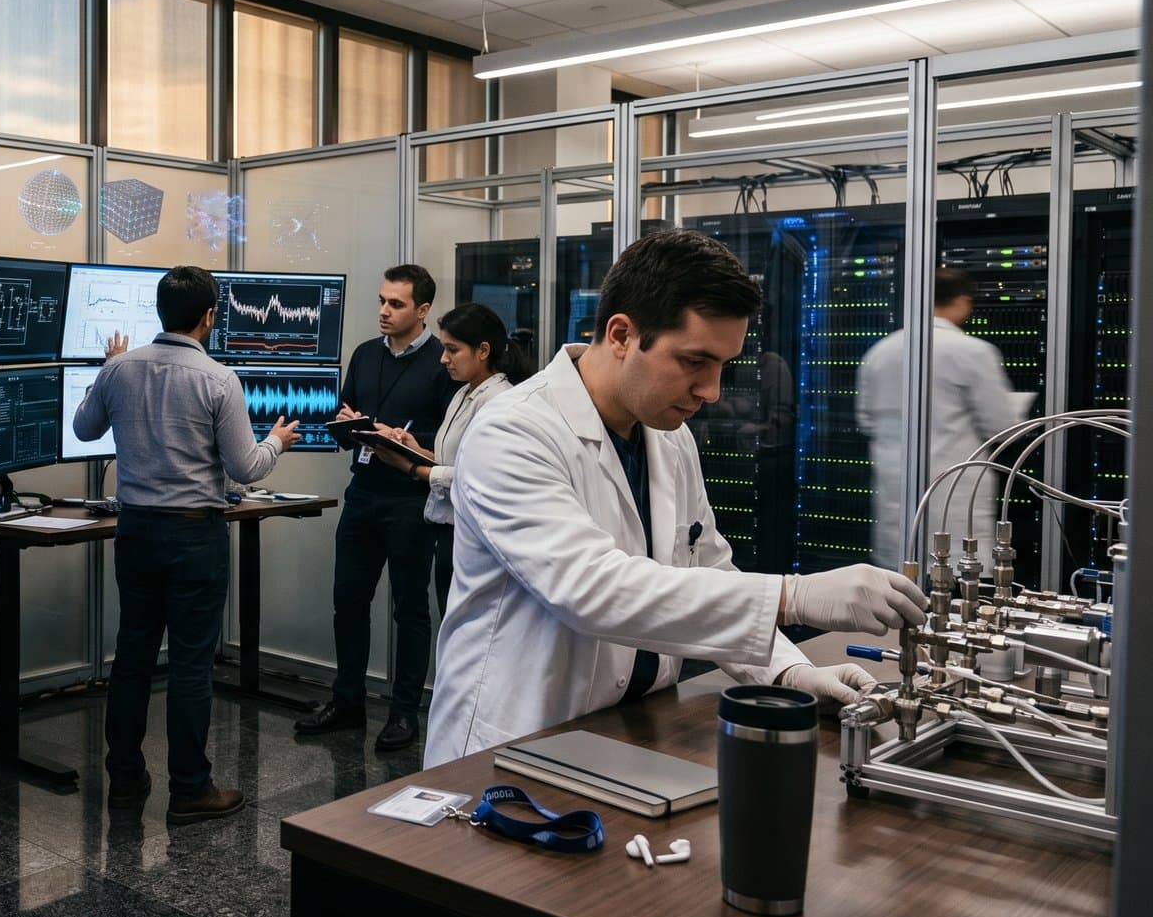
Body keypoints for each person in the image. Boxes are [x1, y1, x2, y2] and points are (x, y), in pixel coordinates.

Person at [425, 230, 928, 766]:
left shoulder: (667, 435)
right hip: (512, 742)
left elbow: (707, 563)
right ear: (621, 334)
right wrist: (794, 596)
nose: (711, 390)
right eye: (694, 362)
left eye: (722, 366)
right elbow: (590, 589)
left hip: (632, 730)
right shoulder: (513, 430)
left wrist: (789, 671)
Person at [73, 266, 301, 824]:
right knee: (192, 667)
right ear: (208, 317)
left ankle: (125, 783)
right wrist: (276, 441)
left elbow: (83, 430)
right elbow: (244, 469)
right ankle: (190, 789)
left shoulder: (120, 370)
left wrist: (105, 370)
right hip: (195, 536)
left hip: (137, 533)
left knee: (131, 660)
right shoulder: (219, 379)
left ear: (159, 311)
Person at [294, 264, 460, 753]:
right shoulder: (366, 354)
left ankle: (404, 712)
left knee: (409, 608)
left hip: (411, 498)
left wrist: (404, 440)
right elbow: (343, 414)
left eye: (397, 304)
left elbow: (449, 439)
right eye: (383, 301)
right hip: (364, 493)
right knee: (348, 601)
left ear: (423, 310)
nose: (385, 311)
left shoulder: (441, 363)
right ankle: (347, 702)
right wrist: (347, 424)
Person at [857, 266, 1031, 569]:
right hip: (953, 496)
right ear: (962, 301)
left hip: (896, 498)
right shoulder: (974, 352)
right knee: (956, 590)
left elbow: (866, 420)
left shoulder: (880, 351)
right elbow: (1002, 427)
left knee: (899, 589)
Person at [369, 302, 534, 619]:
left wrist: (412, 468)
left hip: (473, 535)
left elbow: (477, 479)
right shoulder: (462, 393)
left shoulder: (499, 401)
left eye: (452, 350)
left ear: (483, 350)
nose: (443, 359)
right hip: (450, 533)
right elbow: (455, 459)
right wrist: (413, 448)